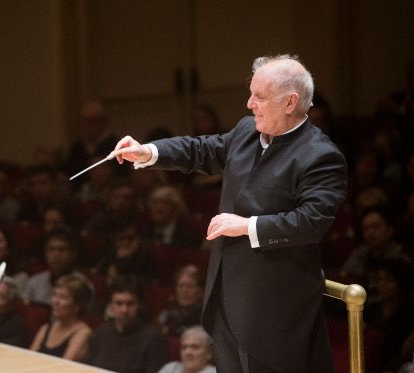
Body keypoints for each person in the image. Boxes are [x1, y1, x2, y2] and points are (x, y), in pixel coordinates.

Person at [112, 54, 347, 372]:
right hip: (226, 299)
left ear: (290, 102)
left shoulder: (320, 156)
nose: (250, 104)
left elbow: (310, 222)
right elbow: (201, 150)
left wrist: (248, 226)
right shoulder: (246, 131)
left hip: (274, 312)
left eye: (259, 97)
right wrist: (150, 151)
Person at [87, 275, 168, 373]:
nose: (124, 310)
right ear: (111, 306)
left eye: (130, 304)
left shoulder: (153, 339)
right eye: (119, 303)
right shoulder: (100, 334)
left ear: (139, 305)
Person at [30, 274, 92, 361]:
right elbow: (29, 358)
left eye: (63, 297)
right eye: (55, 295)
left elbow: (65, 367)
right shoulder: (46, 327)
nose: (55, 301)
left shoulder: (83, 333)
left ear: (78, 305)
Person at [157, 264, 204, 337]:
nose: (184, 291)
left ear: (201, 291)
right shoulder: (166, 315)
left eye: (190, 286)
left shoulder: (205, 317)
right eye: (181, 286)